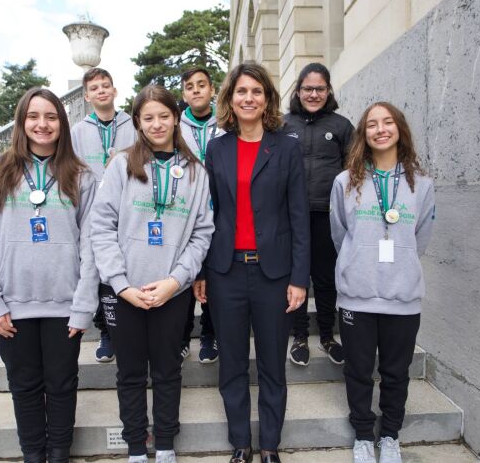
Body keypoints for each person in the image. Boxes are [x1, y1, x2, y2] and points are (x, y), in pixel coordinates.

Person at [77, 85, 214, 463]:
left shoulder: (195, 172)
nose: (157, 124)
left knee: (169, 371)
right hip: (124, 292)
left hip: (173, 290)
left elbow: (203, 232)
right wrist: (120, 284)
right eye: (148, 117)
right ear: (137, 122)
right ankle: (137, 448)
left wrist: (176, 281)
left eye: (164, 116)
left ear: (176, 118)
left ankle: (166, 445)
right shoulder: (121, 165)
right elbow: (101, 227)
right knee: (131, 374)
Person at [0, 88, 97, 463]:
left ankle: (59, 453)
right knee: (24, 387)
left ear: (62, 123)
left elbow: (92, 245)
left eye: (51, 117)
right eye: (34, 116)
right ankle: (33, 455)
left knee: (61, 385)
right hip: (11, 305)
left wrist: (84, 304)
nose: (42, 124)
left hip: (64, 304)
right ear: (22, 122)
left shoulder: (80, 174)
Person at [195, 63, 310, 463]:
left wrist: (300, 278)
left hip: (273, 274)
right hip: (226, 271)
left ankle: (270, 446)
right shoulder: (217, 149)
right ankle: (241, 444)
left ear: (267, 100)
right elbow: (207, 215)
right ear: (230, 99)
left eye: (256, 92)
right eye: (241, 91)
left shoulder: (288, 147)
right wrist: (203, 271)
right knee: (231, 364)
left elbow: (299, 217)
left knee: (272, 365)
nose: (249, 98)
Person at [329, 102, 435, 463]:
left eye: (387, 122)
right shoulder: (345, 182)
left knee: (395, 372)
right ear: (364, 134)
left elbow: (421, 236)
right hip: (357, 297)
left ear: (399, 129)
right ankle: (362, 435)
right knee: (358, 371)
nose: (380, 129)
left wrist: (399, 265)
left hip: (402, 297)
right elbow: (340, 233)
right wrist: (358, 263)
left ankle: (389, 435)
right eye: (372, 124)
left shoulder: (421, 184)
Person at [283, 62, 354, 367]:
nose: (313, 94)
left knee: (325, 279)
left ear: (328, 91)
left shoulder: (341, 126)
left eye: (319, 89)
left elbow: (354, 171)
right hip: (291, 216)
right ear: (298, 91)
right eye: (307, 88)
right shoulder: (283, 125)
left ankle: (327, 335)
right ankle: (299, 336)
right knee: (297, 277)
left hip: (327, 215)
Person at [71, 67, 137, 363]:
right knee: (95, 268)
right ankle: (106, 331)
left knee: (122, 265)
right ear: (87, 96)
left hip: (127, 208)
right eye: (95, 87)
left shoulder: (132, 125)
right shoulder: (78, 131)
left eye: (105, 86)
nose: (101, 91)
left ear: (114, 90)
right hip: (92, 209)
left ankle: (127, 325)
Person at [179, 66, 225, 364]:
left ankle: (209, 334)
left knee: (214, 276)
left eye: (201, 85)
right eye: (189, 86)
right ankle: (183, 336)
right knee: (185, 272)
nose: (196, 90)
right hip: (184, 209)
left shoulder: (226, 124)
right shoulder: (175, 127)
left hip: (221, 207)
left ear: (211, 90)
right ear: (183, 94)